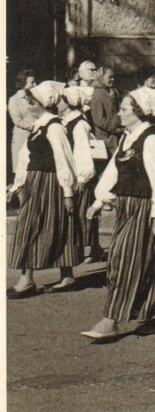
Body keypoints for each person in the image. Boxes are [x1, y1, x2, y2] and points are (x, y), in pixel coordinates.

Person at [82, 87, 155, 340]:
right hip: (127, 208)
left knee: (122, 260)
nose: (119, 114)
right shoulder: (128, 138)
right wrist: (100, 200)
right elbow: (113, 171)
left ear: (139, 112)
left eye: (123, 109)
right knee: (148, 262)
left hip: (145, 208)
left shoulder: (152, 140)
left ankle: (110, 320)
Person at [7, 81, 80, 298]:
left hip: (51, 184)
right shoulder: (39, 126)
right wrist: (17, 184)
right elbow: (25, 159)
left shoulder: (54, 127)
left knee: (38, 226)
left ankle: (27, 280)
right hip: (36, 183)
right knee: (51, 225)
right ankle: (64, 275)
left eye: (32, 102)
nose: (29, 105)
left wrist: (68, 192)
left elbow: (64, 160)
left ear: (42, 103)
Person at [62, 86, 104, 264]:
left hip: (82, 176)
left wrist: (82, 178)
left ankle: (92, 248)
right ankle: (91, 248)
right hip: (75, 174)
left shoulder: (79, 124)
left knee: (84, 214)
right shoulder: (67, 121)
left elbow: (83, 152)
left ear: (68, 103)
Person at [90, 66, 123, 163]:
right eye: (110, 77)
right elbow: (99, 120)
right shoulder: (97, 94)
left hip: (116, 137)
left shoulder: (113, 92)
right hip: (105, 139)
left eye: (113, 77)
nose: (113, 79)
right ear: (101, 77)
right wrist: (116, 129)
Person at [8, 69, 37, 173]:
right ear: (23, 83)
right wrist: (34, 126)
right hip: (22, 137)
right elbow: (17, 121)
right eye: (32, 82)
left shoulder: (34, 97)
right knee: (22, 168)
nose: (35, 84)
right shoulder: (14, 100)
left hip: (35, 136)